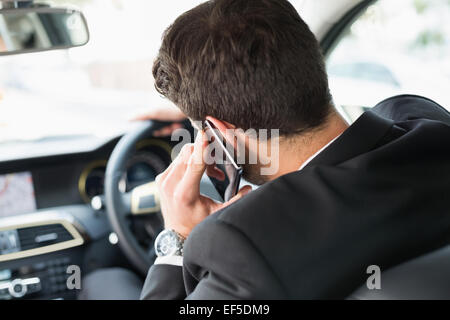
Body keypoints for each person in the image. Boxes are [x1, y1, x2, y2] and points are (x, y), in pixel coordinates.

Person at [139, 0, 450, 299]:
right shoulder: (427, 122)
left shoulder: (244, 245)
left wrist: (177, 239)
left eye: (201, 130)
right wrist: (213, 114)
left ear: (220, 133)